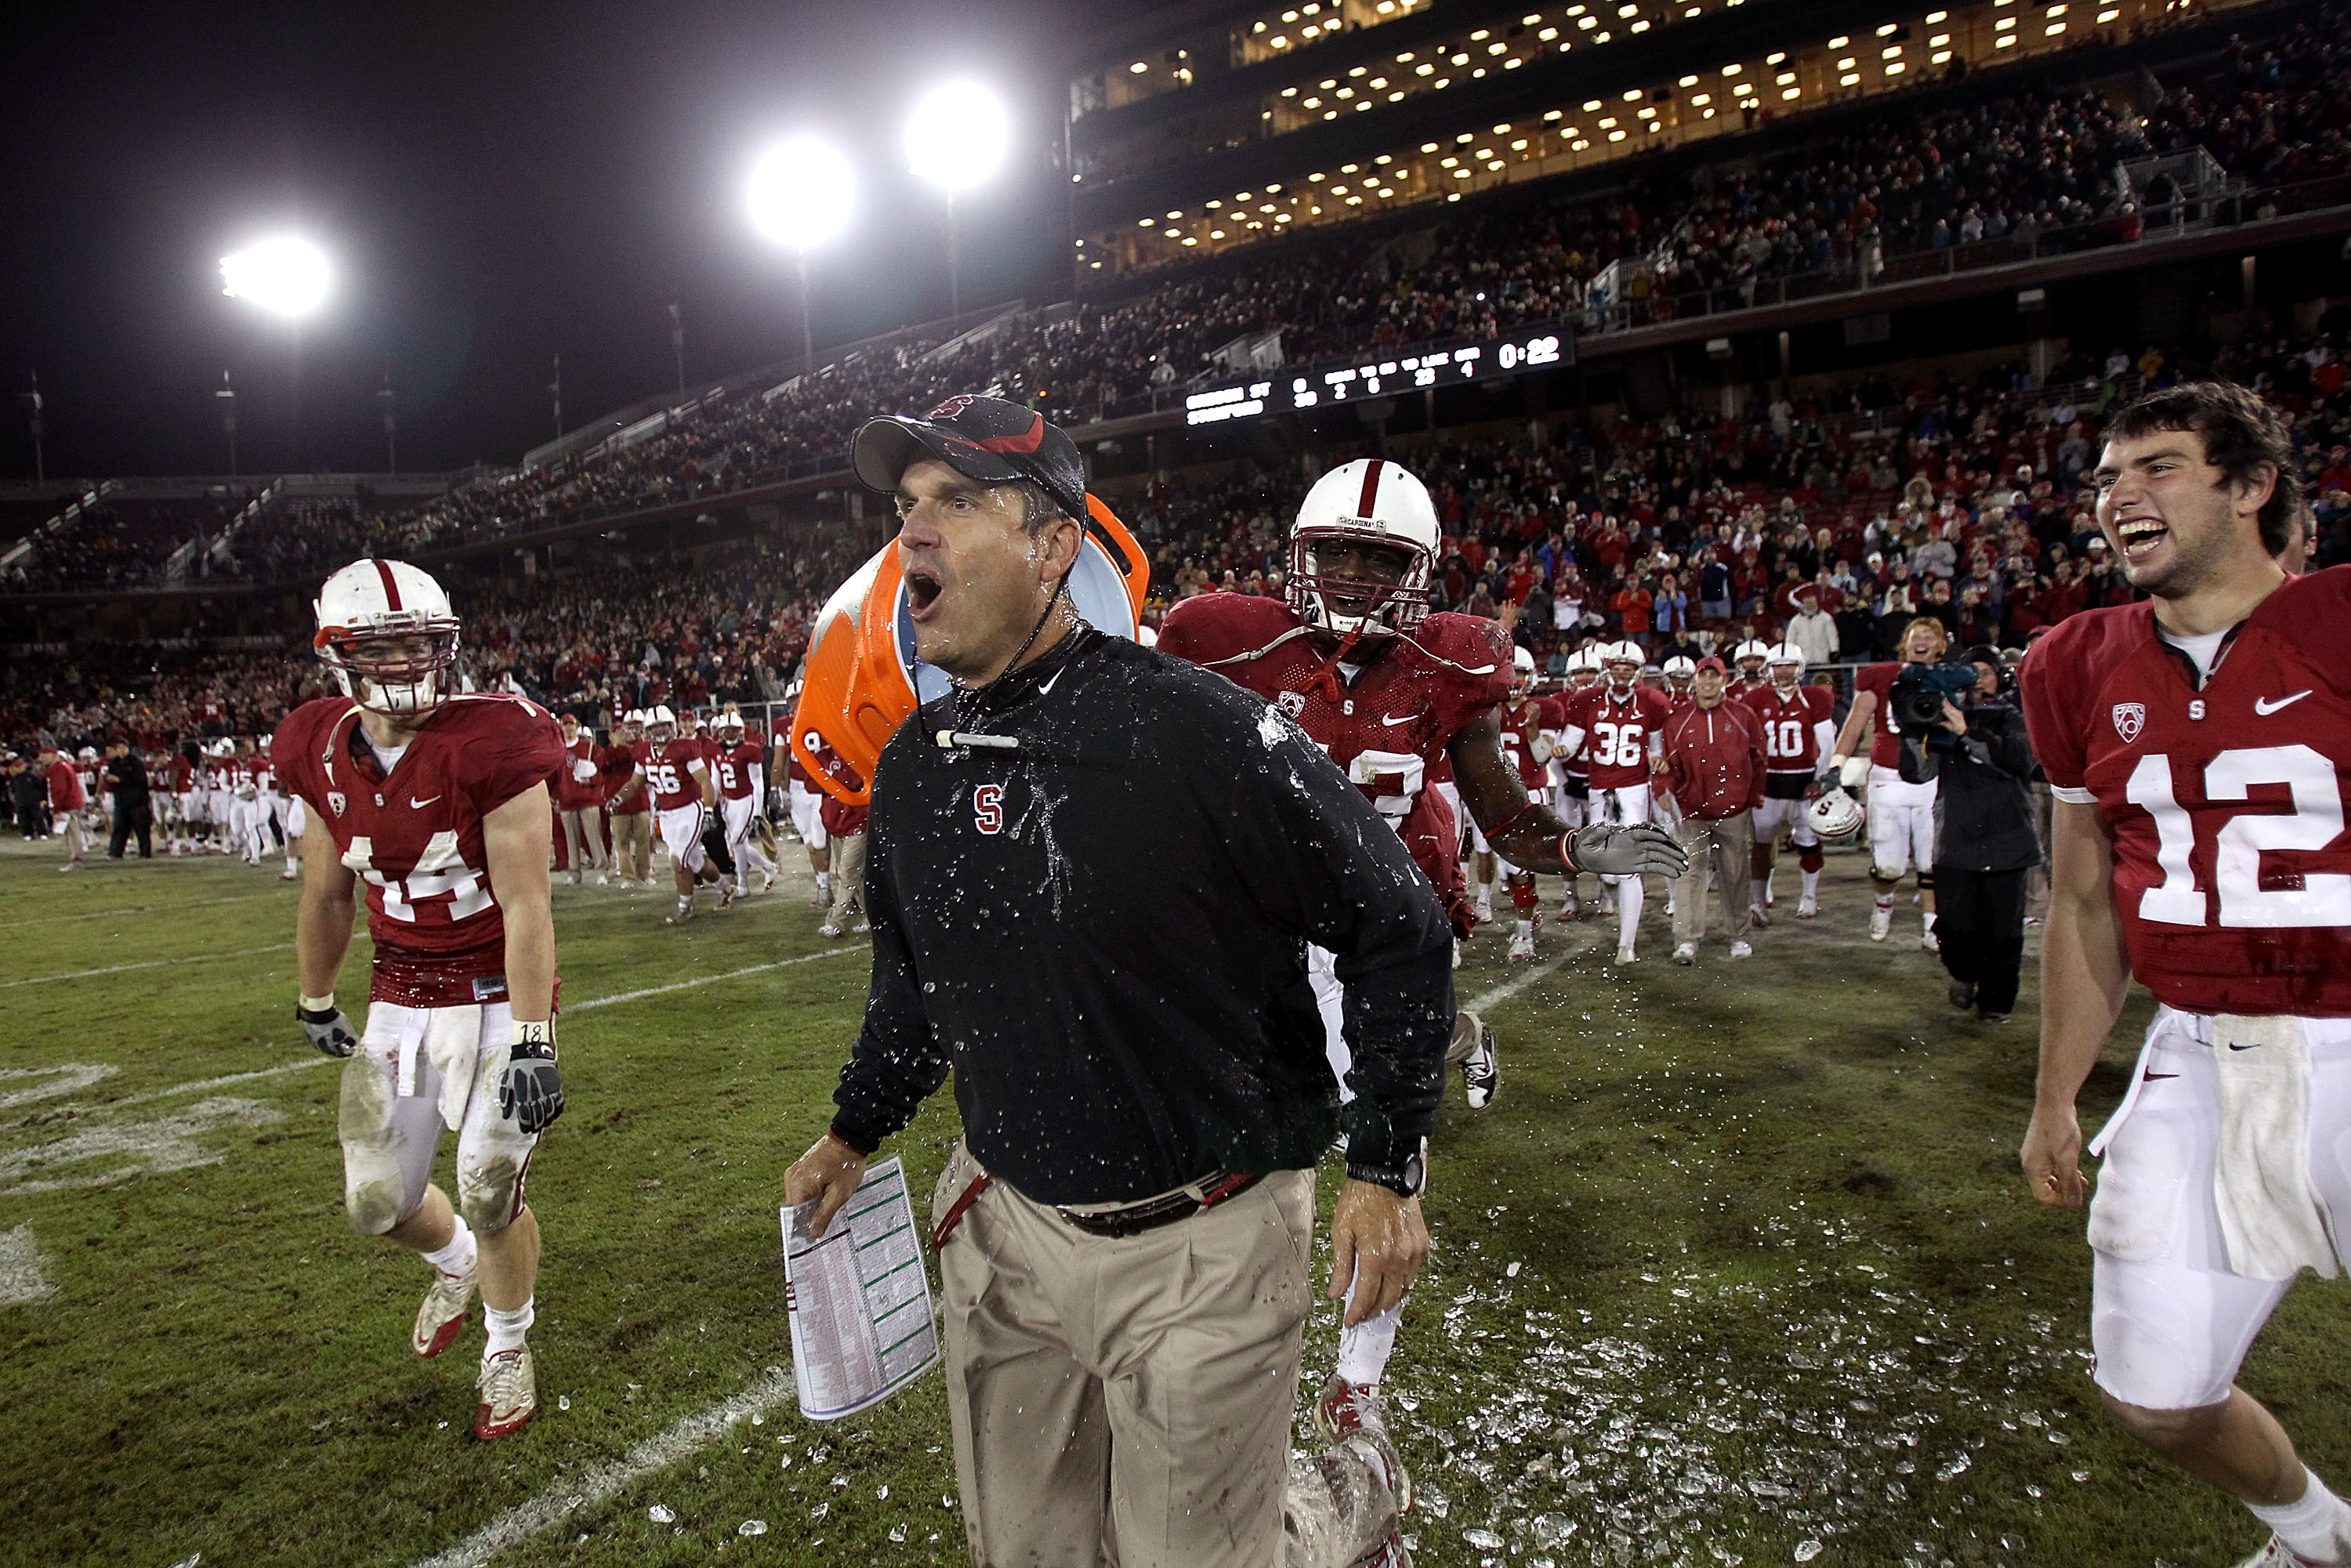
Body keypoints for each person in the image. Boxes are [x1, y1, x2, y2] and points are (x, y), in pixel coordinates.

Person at [786, 395, 1473, 1568]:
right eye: (906, 509)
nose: (915, 536)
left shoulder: (1201, 731)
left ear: (1058, 545)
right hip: (1004, 1222)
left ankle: (1346, 1500)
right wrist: (853, 1133)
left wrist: (1387, 1163)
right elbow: (915, 986)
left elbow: (1397, 919)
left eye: (958, 501)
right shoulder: (911, 767)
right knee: (1032, 1555)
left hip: (1203, 1233)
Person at [2018, 381, 2351, 1568]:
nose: (2118, 497)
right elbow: (2083, 897)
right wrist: (2057, 1095)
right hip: (2199, 1049)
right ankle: (2318, 1536)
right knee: (2156, 1387)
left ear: (2251, 487)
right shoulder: (2073, 662)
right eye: (2108, 477)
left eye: (2157, 467)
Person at [275, 556, 567, 1443]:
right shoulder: (317, 743)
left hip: (491, 991)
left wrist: (530, 1038)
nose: (405, 665)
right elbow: (326, 891)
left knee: (485, 1187)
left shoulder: (497, 738)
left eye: (419, 645)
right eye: (383, 647)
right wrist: (316, 997)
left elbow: (527, 904)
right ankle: (453, 1266)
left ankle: (508, 1343)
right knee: (376, 1205)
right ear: (337, 655)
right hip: (400, 992)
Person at [1925, 645, 2041, 1022]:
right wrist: (1917, 731)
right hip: (1957, 840)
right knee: (1954, 925)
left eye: (1985, 672)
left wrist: (1968, 731)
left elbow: (2021, 760)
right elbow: (1917, 772)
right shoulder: (1942, 717)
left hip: (2007, 837)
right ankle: (1964, 973)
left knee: (2004, 933)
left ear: (2000, 676)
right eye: (1969, 673)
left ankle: (1997, 1002)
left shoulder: (2015, 716)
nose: (1977, 680)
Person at [1829, 617, 1954, 949]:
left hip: (1932, 780)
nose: (1921, 641)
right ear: (1906, 644)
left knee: (1931, 861)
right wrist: (1836, 766)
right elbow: (1854, 725)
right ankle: (1883, 906)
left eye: (1929, 636)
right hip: (1889, 778)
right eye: (1916, 636)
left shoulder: (1949, 680)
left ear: (1940, 646)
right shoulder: (1884, 678)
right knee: (1889, 865)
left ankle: (1932, 926)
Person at [1559, 641, 1679, 965]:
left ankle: (1627, 944)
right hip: (1598, 790)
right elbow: (1569, 743)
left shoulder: (1653, 701)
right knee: (1606, 867)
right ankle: (1611, 893)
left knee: (1628, 869)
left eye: (1628, 668)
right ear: (1607, 670)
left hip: (1634, 789)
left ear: (1638, 672)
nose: (1622, 673)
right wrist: (1555, 751)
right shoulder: (1586, 700)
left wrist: (1658, 762)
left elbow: (1656, 745)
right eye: (1617, 667)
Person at [1659, 657, 1765, 964]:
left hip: (1733, 810)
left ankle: (1740, 935)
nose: (1707, 683)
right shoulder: (1677, 720)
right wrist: (1663, 789)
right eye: (1702, 677)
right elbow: (1667, 763)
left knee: (1735, 875)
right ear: (1694, 681)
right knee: (1689, 874)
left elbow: (1759, 758)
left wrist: (1753, 796)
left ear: (1724, 680)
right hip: (1691, 810)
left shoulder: (1743, 715)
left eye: (1713, 677)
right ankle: (1686, 940)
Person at [1742, 643, 1838, 921]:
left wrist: (1821, 778)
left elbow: (1827, 745)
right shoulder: (1756, 698)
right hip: (1769, 782)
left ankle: (1809, 895)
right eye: (1777, 666)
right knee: (1761, 844)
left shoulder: (1815, 697)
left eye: (1789, 665)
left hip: (1803, 780)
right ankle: (1758, 901)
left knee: (1808, 841)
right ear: (1768, 669)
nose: (1783, 672)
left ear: (1800, 668)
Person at [639, 704, 720, 924]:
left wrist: (709, 809)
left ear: (672, 727)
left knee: (677, 859)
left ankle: (686, 906)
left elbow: (704, 779)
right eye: (654, 728)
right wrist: (619, 797)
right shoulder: (643, 751)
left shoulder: (685, 747)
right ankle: (725, 887)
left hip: (689, 810)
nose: (659, 732)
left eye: (663, 726)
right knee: (695, 862)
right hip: (666, 814)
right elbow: (634, 781)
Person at [709, 704, 775, 896]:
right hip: (728, 803)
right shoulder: (716, 751)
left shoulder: (749, 750)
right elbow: (715, 782)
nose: (730, 735)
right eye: (726, 731)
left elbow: (757, 782)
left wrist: (757, 812)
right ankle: (768, 867)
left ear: (741, 731)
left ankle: (743, 885)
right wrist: (708, 806)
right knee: (740, 844)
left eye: (733, 731)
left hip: (746, 800)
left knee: (737, 840)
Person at [552, 711, 608, 885]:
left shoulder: (589, 747)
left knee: (594, 836)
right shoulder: (557, 749)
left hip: (588, 798)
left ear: (577, 727)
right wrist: (553, 797)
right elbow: (552, 777)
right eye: (565, 725)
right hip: (566, 800)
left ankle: (601, 871)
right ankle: (574, 873)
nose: (568, 729)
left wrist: (591, 779)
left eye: (571, 725)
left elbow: (603, 772)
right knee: (571, 839)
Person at [601, 710, 652, 886]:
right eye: (617, 732)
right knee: (622, 842)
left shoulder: (635, 748)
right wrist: (618, 746)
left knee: (643, 840)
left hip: (638, 800)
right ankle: (627, 876)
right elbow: (605, 764)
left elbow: (640, 757)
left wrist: (631, 742)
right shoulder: (607, 752)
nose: (622, 735)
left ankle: (644, 873)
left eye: (623, 731)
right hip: (618, 803)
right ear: (610, 736)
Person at [39, 742, 87, 871]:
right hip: (71, 804)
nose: (41, 759)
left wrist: (56, 809)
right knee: (72, 833)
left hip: (67, 806)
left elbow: (60, 790)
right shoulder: (64, 767)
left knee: (70, 835)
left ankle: (77, 861)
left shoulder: (58, 769)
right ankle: (76, 861)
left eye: (44, 756)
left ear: (53, 755)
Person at [102, 741, 153, 860]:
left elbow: (140, 779)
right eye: (118, 748)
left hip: (137, 800)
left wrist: (120, 779)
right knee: (119, 827)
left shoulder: (136, 763)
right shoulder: (114, 763)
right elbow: (109, 779)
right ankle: (115, 853)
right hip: (121, 799)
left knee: (141, 828)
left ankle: (145, 852)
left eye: (123, 747)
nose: (121, 750)